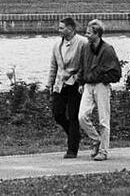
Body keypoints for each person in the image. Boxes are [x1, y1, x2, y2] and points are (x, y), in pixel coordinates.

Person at [76, 19, 121, 161]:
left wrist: (103, 78)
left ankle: (103, 151)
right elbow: (82, 66)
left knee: (103, 120)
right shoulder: (85, 48)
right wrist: (81, 82)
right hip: (88, 85)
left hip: (101, 85)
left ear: (97, 34)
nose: (86, 35)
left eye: (89, 33)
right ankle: (96, 139)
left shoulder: (108, 50)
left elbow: (116, 73)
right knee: (82, 116)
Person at [47, 17, 88, 158]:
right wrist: (50, 83)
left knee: (73, 115)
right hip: (60, 84)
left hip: (74, 84)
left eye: (61, 28)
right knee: (57, 113)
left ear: (70, 29)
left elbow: (85, 63)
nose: (59, 30)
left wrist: (79, 78)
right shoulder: (57, 45)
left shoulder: (82, 43)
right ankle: (74, 135)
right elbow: (54, 65)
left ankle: (72, 148)